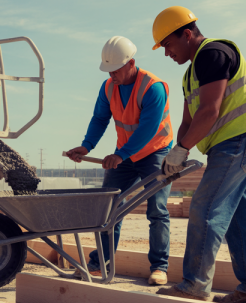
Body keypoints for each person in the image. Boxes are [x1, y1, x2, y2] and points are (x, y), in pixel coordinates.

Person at [151, 6, 246, 303]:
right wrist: (175, 151)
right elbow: (188, 120)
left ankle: (195, 284)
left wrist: (183, 149)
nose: (166, 53)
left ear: (187, 34)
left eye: (168, 44)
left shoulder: (213, 53)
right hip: (236, 143)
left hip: (239, 140)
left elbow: (209, 111)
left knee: (205, 207)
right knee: (241, 218)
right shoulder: (190, 74)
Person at [65, 36, 174, 286]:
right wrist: (86, 146)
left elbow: (147, 129)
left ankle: (159, 268)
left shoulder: (153, 88)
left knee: (157, 210)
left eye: (115, 70)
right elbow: (99, 119)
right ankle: (99, 263)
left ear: (131, 63)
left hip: (155, 152)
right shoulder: (108, 87)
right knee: (109, 208)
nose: (111, 75)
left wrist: (120, 155)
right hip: (124, 153)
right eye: (108, 70)